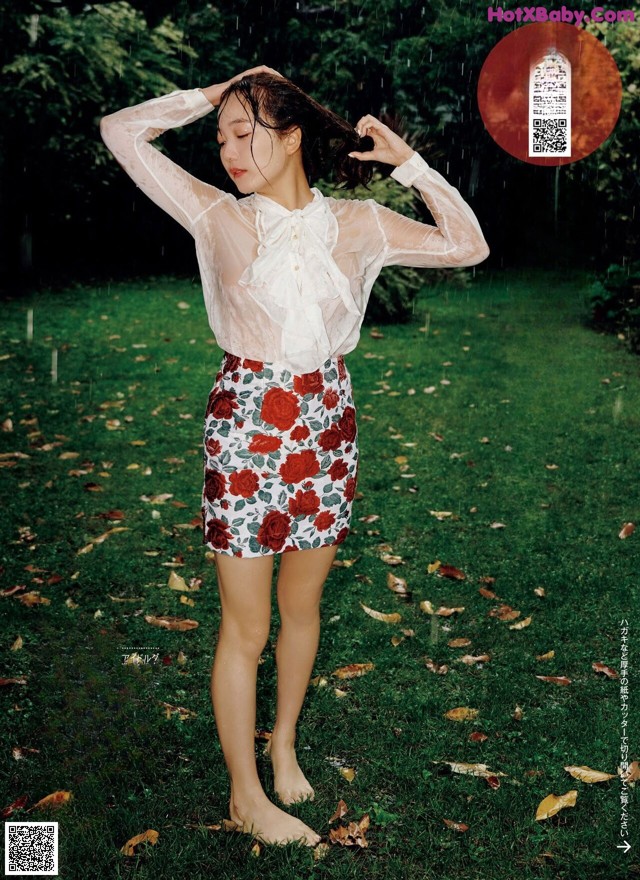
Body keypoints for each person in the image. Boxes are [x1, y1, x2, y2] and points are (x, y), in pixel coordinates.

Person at [99, 65, 489, 848]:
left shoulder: (359, 224)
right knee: (244, 626)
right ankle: (247, 794)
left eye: (245, 134)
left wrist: (409, 166)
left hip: (326, 425)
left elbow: (468, 245)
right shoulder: (214, 213)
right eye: (221, 139)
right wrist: (214, 96)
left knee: (302, 608)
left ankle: (281, 744)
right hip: (246, 426)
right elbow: (120, 132)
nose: (228, 152)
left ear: (293, 134)